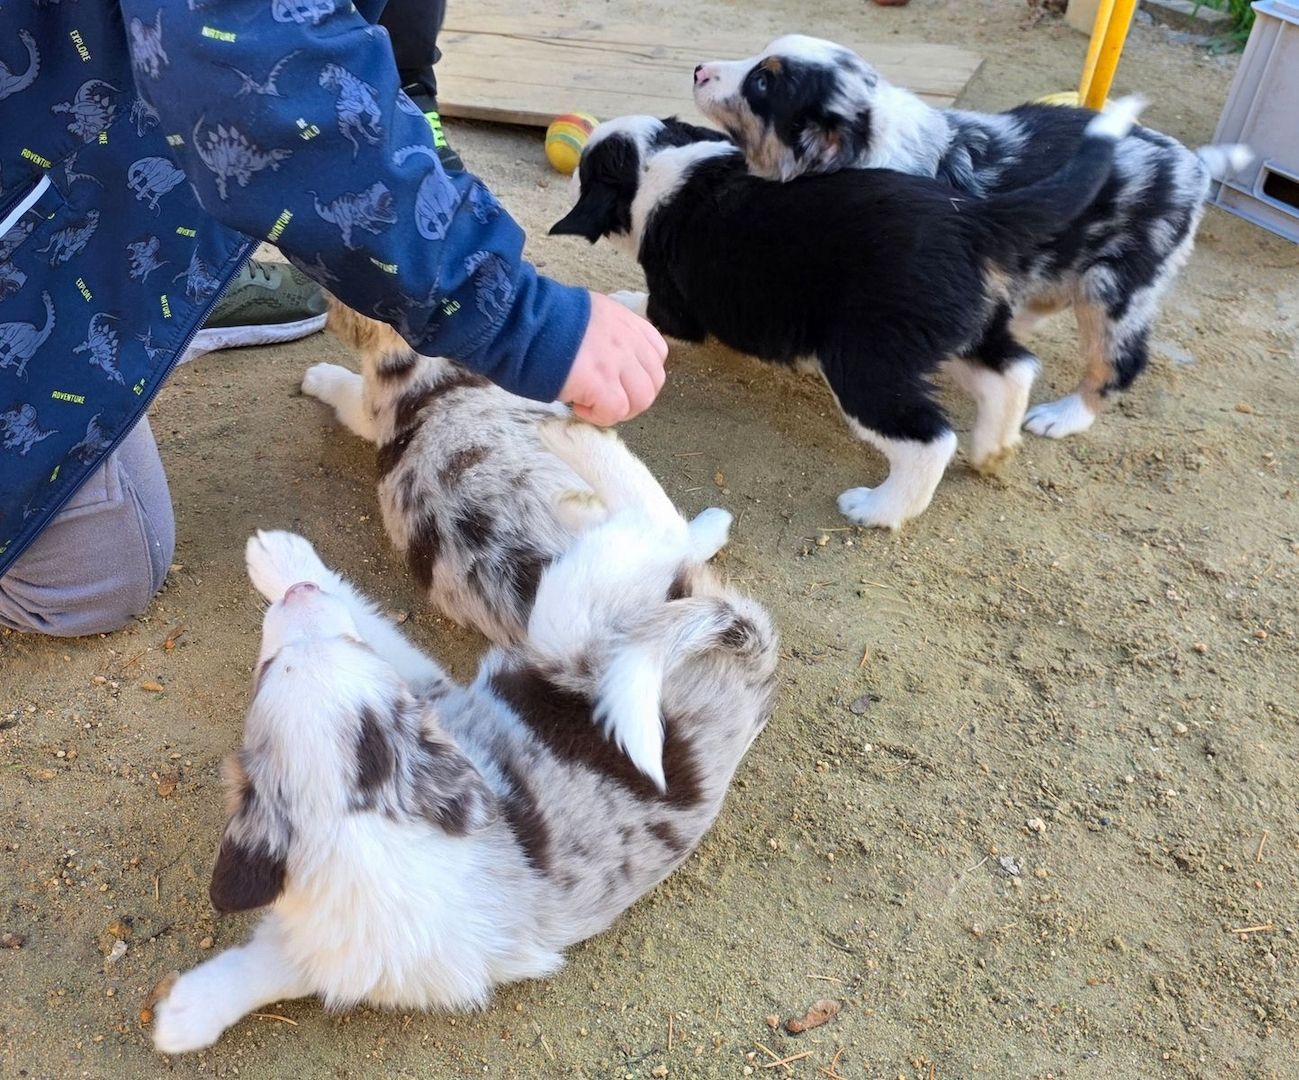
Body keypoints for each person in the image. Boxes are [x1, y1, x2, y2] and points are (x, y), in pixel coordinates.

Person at [0, 2, 667, 636]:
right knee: (103, 578)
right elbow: (248, 64)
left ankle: (159, 292)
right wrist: (516, 312)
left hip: (77, 136)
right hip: (35, 193)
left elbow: (328, 44)